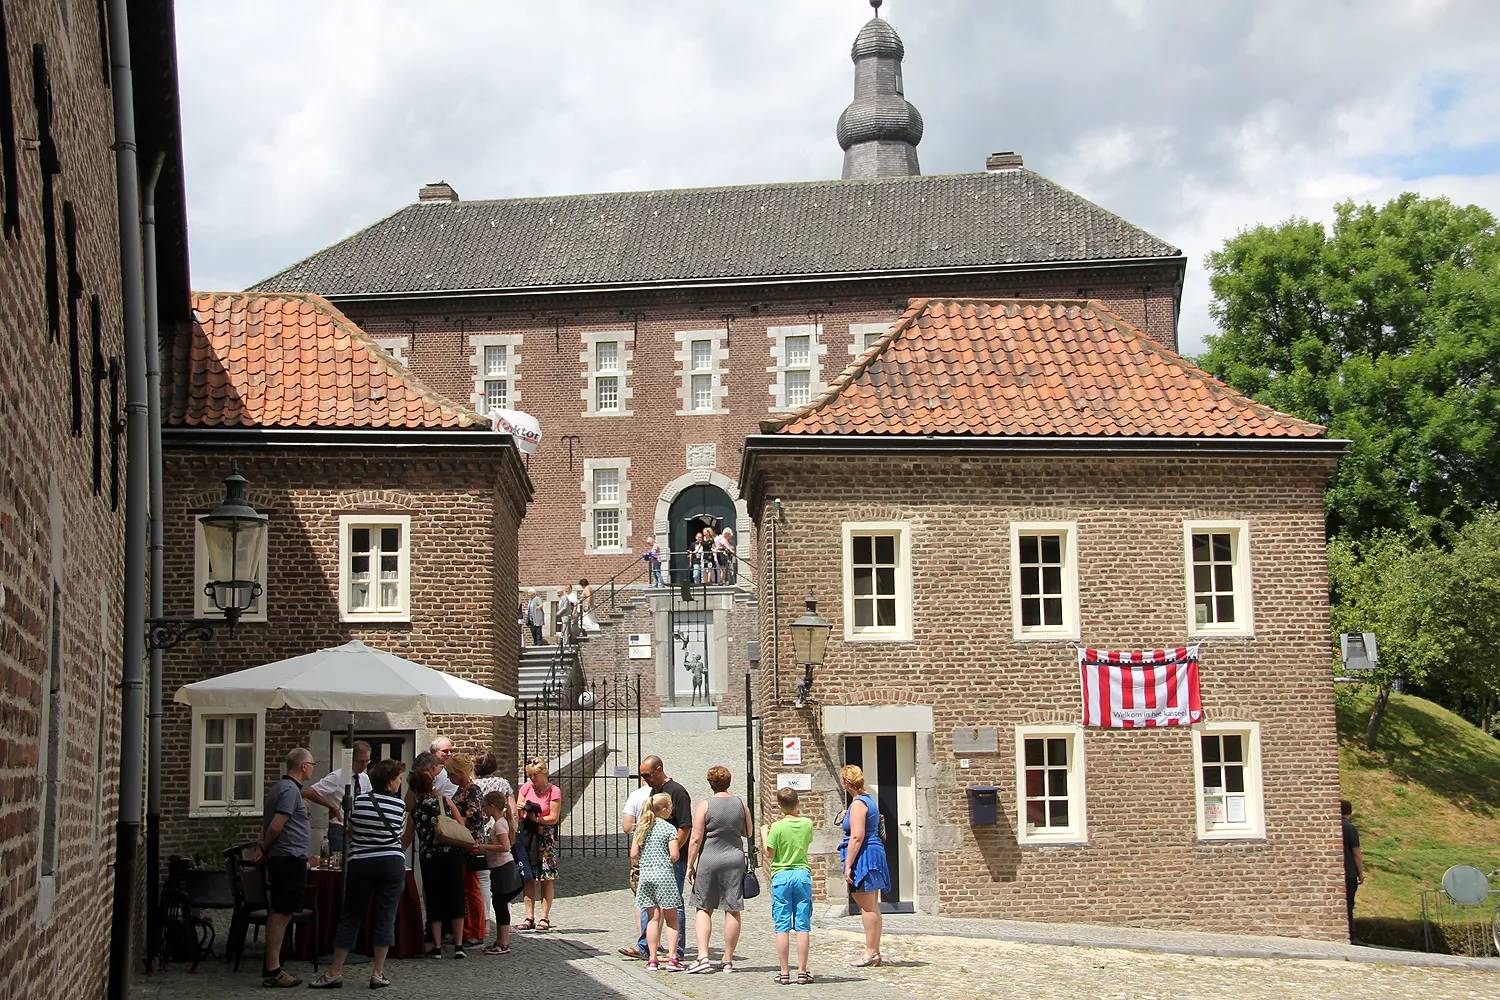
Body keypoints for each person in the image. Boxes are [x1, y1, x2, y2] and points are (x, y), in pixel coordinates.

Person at [307, 758, 411, 989]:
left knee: (351, 915)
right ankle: (378, 972)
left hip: (362, 863)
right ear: (390, 782)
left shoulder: (359, 802)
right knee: (385, 917)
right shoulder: (400, 807)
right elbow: (397, 834)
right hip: (392, 863)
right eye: (398, 779)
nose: (399, 783)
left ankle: (335, 971)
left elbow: (352, 830)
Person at [253, 747, 316, 988]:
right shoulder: (290, 790)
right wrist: (266, 846)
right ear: (303, 766)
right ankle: (273, 969)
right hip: (288, 859)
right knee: (281, 914)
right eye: (311, 764)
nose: (312, 768)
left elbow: (268, 824)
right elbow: (276, 826)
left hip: (287, 857)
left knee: (281, 913)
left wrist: (263, 845)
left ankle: (272, 966)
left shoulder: (280, 788)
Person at [685, 765, 753, 973]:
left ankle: (703, 956)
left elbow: (696, 838)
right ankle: (728, 959)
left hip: (709, 859)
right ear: (729, 782)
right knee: (732, 909)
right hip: (734, 860)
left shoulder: (705, 805)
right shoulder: (741, 803)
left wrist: (690, 865)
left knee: (704, 907)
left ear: (710, 783)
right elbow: (748, 832)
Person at [634, 755, 692, 961]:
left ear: (659, 770)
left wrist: (671, 854)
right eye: (642, 775)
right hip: (656, 862)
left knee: (674, 906)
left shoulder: (678, 792)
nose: (644, 779)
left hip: (672, 861)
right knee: (651, 908)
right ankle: (648, 948)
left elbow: (685, 827)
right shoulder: (654, 791)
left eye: (647, 775)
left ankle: (676, 951)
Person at [410, 769, 469, 959]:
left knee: (434, 899)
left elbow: (407, 836)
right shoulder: (444, 801)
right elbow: (461, 824)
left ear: (414, 790)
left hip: (429, 858)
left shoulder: (415, 810)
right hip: (451, 854)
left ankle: (436, 946)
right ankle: (459, 945)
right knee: (456, 896)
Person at [839, 764, 890, 968]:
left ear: (845, 782)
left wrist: (849, 865)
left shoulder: (859, 804)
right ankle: (875, 951)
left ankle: (870, 952)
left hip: (865, 857)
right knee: (872, 906)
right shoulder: (867, 799)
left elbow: (857, 837)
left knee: (866, 906)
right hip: (874, 852)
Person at [763, 785, 815, 986]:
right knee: (803, 926)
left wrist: (763, 833)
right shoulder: (807, 823)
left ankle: (784, 972)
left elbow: (770, 853)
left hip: (781, 876)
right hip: (802, 874)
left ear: (779, 806)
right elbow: (806, 843)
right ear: (798, 803)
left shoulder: (776, 827)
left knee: (782, 926)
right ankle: (802, 971)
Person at [633, 793, 684, 972]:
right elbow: (674, 855)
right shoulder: (669, 828)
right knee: (671, 920)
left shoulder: (642, 827)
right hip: (665, 877)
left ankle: (652, 959)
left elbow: (633, 854)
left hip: (646, 877)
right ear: (664, 810)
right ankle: (672, 958)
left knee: (653, 918)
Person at [303, 740, 372, 856]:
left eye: (367, 761)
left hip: (357, 830)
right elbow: (309, 792)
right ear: (351, 760)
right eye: (360, 761)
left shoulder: (364, 778)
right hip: (339, 829)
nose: (364, 765)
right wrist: (331, 806)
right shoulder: (337, 777)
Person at [517, 759, 562, 930]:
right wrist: (522, 809)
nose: (532, 778)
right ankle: (529, 917)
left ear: (544, 773)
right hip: (528, 834)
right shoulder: (526, 788)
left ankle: (544, 917)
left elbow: (554, 817)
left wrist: (537, 818)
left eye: (535, 775)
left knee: (546, 877)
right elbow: (518, 807)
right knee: (528, 877)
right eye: (530, 775)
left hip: (544, 836)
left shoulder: (553, 790)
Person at [448, 753, 487, 949]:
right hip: (462, 843)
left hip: (471, 844)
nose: (449, 779)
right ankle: (465, 929)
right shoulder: (462, 789)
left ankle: (476, 931)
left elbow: (474, 819)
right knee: (463, 889)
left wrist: (452, 813)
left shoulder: (473, 790)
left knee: (472, 889)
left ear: (460, 773)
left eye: (451, 774)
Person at [474, 751, 516, 938]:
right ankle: (493, 928)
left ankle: (485, 923)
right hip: (501, 833)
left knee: (483, 881)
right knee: (497, 889)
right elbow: (514, 812)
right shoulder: (503, 783)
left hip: (483, 836)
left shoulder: (474, 785)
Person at [479, 790, 523, 955]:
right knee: (499, 904)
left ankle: (503, 943)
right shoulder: (502, 822)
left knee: (500, 904)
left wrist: (484, 847)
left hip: (503, 868)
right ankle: (500, 940)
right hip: (501, 867)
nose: (483, 810)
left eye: (484, 806)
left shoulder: (499, 824)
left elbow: (505, 847)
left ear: (491, 807)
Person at [617, 776, 655, 960]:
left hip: (641, 849)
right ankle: (656, 941)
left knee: (641, 895)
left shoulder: (636, 795)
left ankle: (644, 940)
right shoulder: (663, 795)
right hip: (660, 851)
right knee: (659, 897)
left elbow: (626, 827)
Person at [1342, 799, 1365, 944]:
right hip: (1350, 872)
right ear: (1350, 812)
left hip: (1339, 872)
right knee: (1349, 904)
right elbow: (1356, 852)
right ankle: (1351, 935)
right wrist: (1360, 873)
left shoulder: (1333, 826)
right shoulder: (1350, 828)